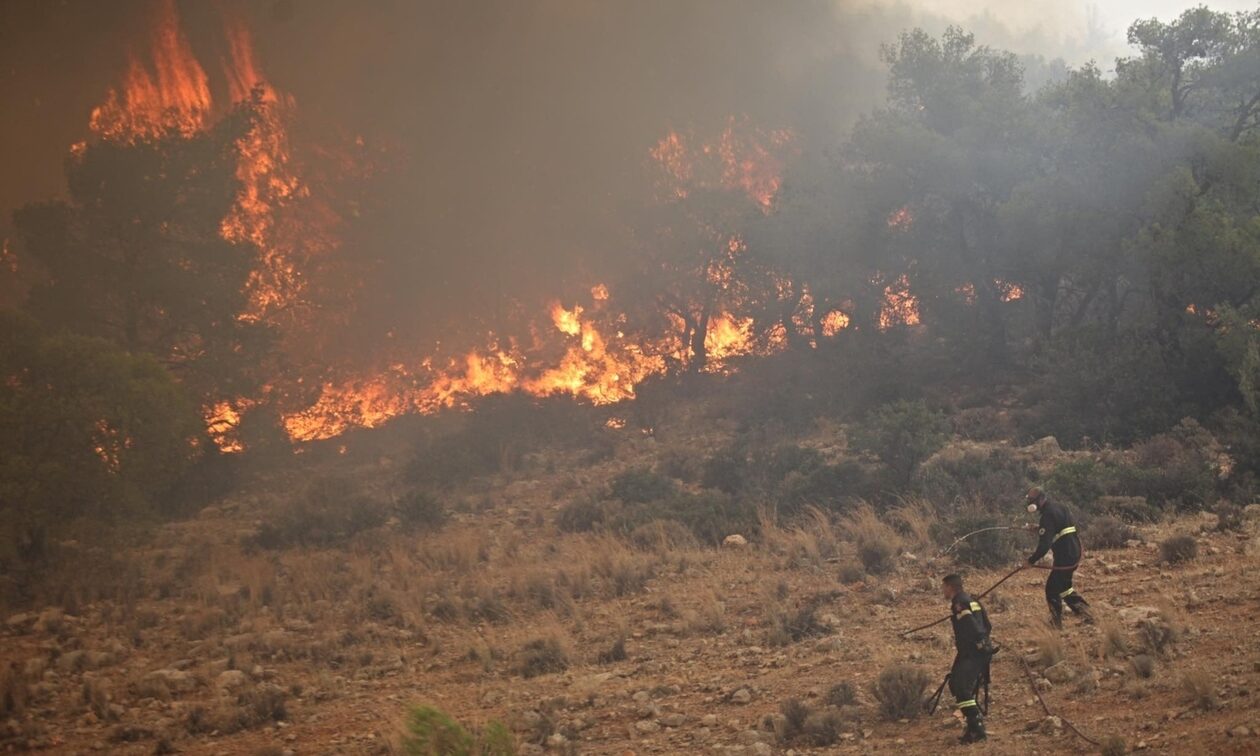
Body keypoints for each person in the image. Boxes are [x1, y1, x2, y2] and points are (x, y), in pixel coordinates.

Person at [1024, 486, 1091, 628]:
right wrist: (1038, 528)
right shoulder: (1059, 507)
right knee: (1064, 587)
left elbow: (1044, 546)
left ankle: (1056, 624)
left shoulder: (1047, 515)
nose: (1030, 503)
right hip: (1073, 551)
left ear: (1041, 499)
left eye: (1032, 500)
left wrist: (1030, 561)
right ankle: (1088, 614)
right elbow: (1057, 527)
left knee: (1052, 588)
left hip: (1065, 556)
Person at [943, 573, 992, 744]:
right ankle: (971, 727)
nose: (943, 591)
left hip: (973, 652)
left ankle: (977, 727)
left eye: (944, 587)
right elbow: (987, 625)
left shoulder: (959, 603)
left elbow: (973, 626)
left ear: (950, 587)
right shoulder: (973, 601)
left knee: (961, 687)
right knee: (955, 684)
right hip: (974, 651)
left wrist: (978, 641)